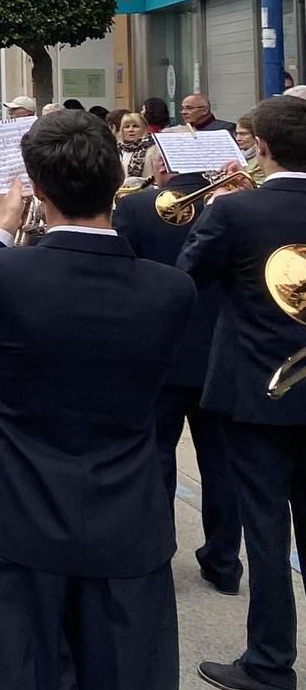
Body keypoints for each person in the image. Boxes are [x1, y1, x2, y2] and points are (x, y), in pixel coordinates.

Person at [0, 113, 194, 690]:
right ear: (118, 182)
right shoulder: (170, 290)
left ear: (37, 189)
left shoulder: (5, 277)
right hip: (125, 522)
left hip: (8, 518)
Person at [177, 94, 306, 690]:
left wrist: (218, 211)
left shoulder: (238, 211)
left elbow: (187, 277)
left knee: (265, 531)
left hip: (257, 391)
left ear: (260, 147)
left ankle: (271, 663)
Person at [113, 143, 242, 594]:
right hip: (216, 352)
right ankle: (224, 562)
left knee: (157, 456)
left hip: (159, 351)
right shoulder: (237, 207)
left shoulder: (134, 207)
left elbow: (122, 278)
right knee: (220, 464)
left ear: (162, 166)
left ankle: (157, 551)